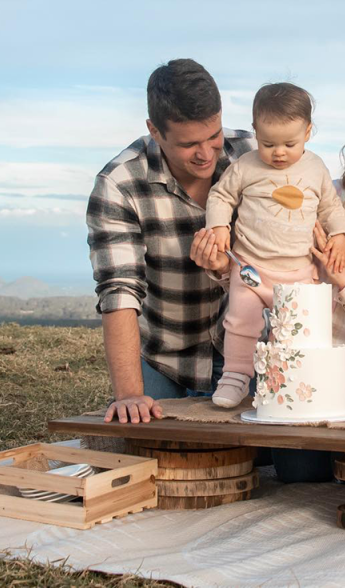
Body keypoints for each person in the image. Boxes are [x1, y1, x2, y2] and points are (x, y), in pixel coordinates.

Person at [192, 106, 345, 482]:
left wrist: (344, 281)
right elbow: (262, 269)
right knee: (297, 472)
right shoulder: (311, 192)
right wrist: (221, 266)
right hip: (304, 370)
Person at [86, 59, 254, 424]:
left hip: (248, 352)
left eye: (214, 136)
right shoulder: (119, 184)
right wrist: (130, 395)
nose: (206, 153)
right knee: (155, 450)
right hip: (167, 356)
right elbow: (119, 291)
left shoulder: (254, 157)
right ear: (154, 130)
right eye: (189, 144)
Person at [203, 82, 345, 407]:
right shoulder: (245, 166)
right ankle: (235, 377)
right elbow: (220, 195)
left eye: (289, 143)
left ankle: (295, 384)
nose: (279, 152)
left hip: (299, 272)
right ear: (255, 131)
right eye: (268, 143)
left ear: (309, 132)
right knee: (241, 320)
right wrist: (217, 226)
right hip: (251, 268)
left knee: (300, 333)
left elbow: (330, 207)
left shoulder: (315, 168)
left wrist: (340, 236)